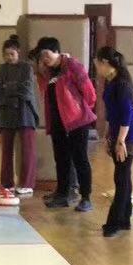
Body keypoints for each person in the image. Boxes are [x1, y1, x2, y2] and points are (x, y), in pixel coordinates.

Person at [32, 37, 96, 213]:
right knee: (61, 159)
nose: (44, 59)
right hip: (58, 123)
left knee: (80, 159)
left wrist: (79, 112)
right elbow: (45, 90)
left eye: (47, 55)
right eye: (41, 56)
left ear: (57, 51)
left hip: (77, 122)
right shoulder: (49, 72)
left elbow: (90, 94)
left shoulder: (72, 66)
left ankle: (86, 197)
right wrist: (42, 70)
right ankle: (62, 194)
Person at [95, 46, 133, 237]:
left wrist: (120, 141)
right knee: (124, 176)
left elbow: (126, 114)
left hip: (128, 137)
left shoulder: (122, 84)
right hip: (117, 134)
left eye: (97, 64)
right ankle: (125, 219)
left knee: (121, 178)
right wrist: (108, 135)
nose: (97, 68)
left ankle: (114, 222)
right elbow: (111, 113)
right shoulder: (111, 82)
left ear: (106, 63)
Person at [0, 36, 39, 197]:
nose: (9, 57)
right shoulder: (1, 69)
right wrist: (13, 89)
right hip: (6, 112)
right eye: (6, 54)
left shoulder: (27, 68)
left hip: (25, 112)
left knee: (28, 149)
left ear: (18, 53)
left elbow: (26, 91)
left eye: (12, 54)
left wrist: (8, 87)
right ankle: (6, 183)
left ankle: (27, 183)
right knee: (6, 150)